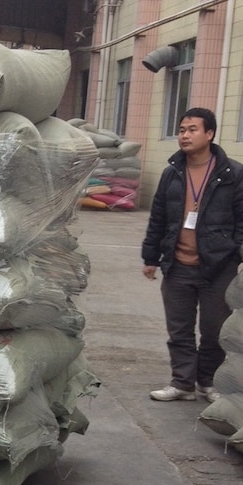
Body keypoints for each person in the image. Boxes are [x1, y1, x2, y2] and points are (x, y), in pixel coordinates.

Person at [142, 107, 243, 403]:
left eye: (192, 130)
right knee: (180, 331)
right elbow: (158, 217)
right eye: (182, 130)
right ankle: (182, 383)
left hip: (218, 267)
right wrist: (150, 258)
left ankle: (207, 383)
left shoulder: (233, 174)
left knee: (213, 332)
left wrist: (237, 253)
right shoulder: (172, 173)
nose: (184, 135)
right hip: (178, 265)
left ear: (210, 134)